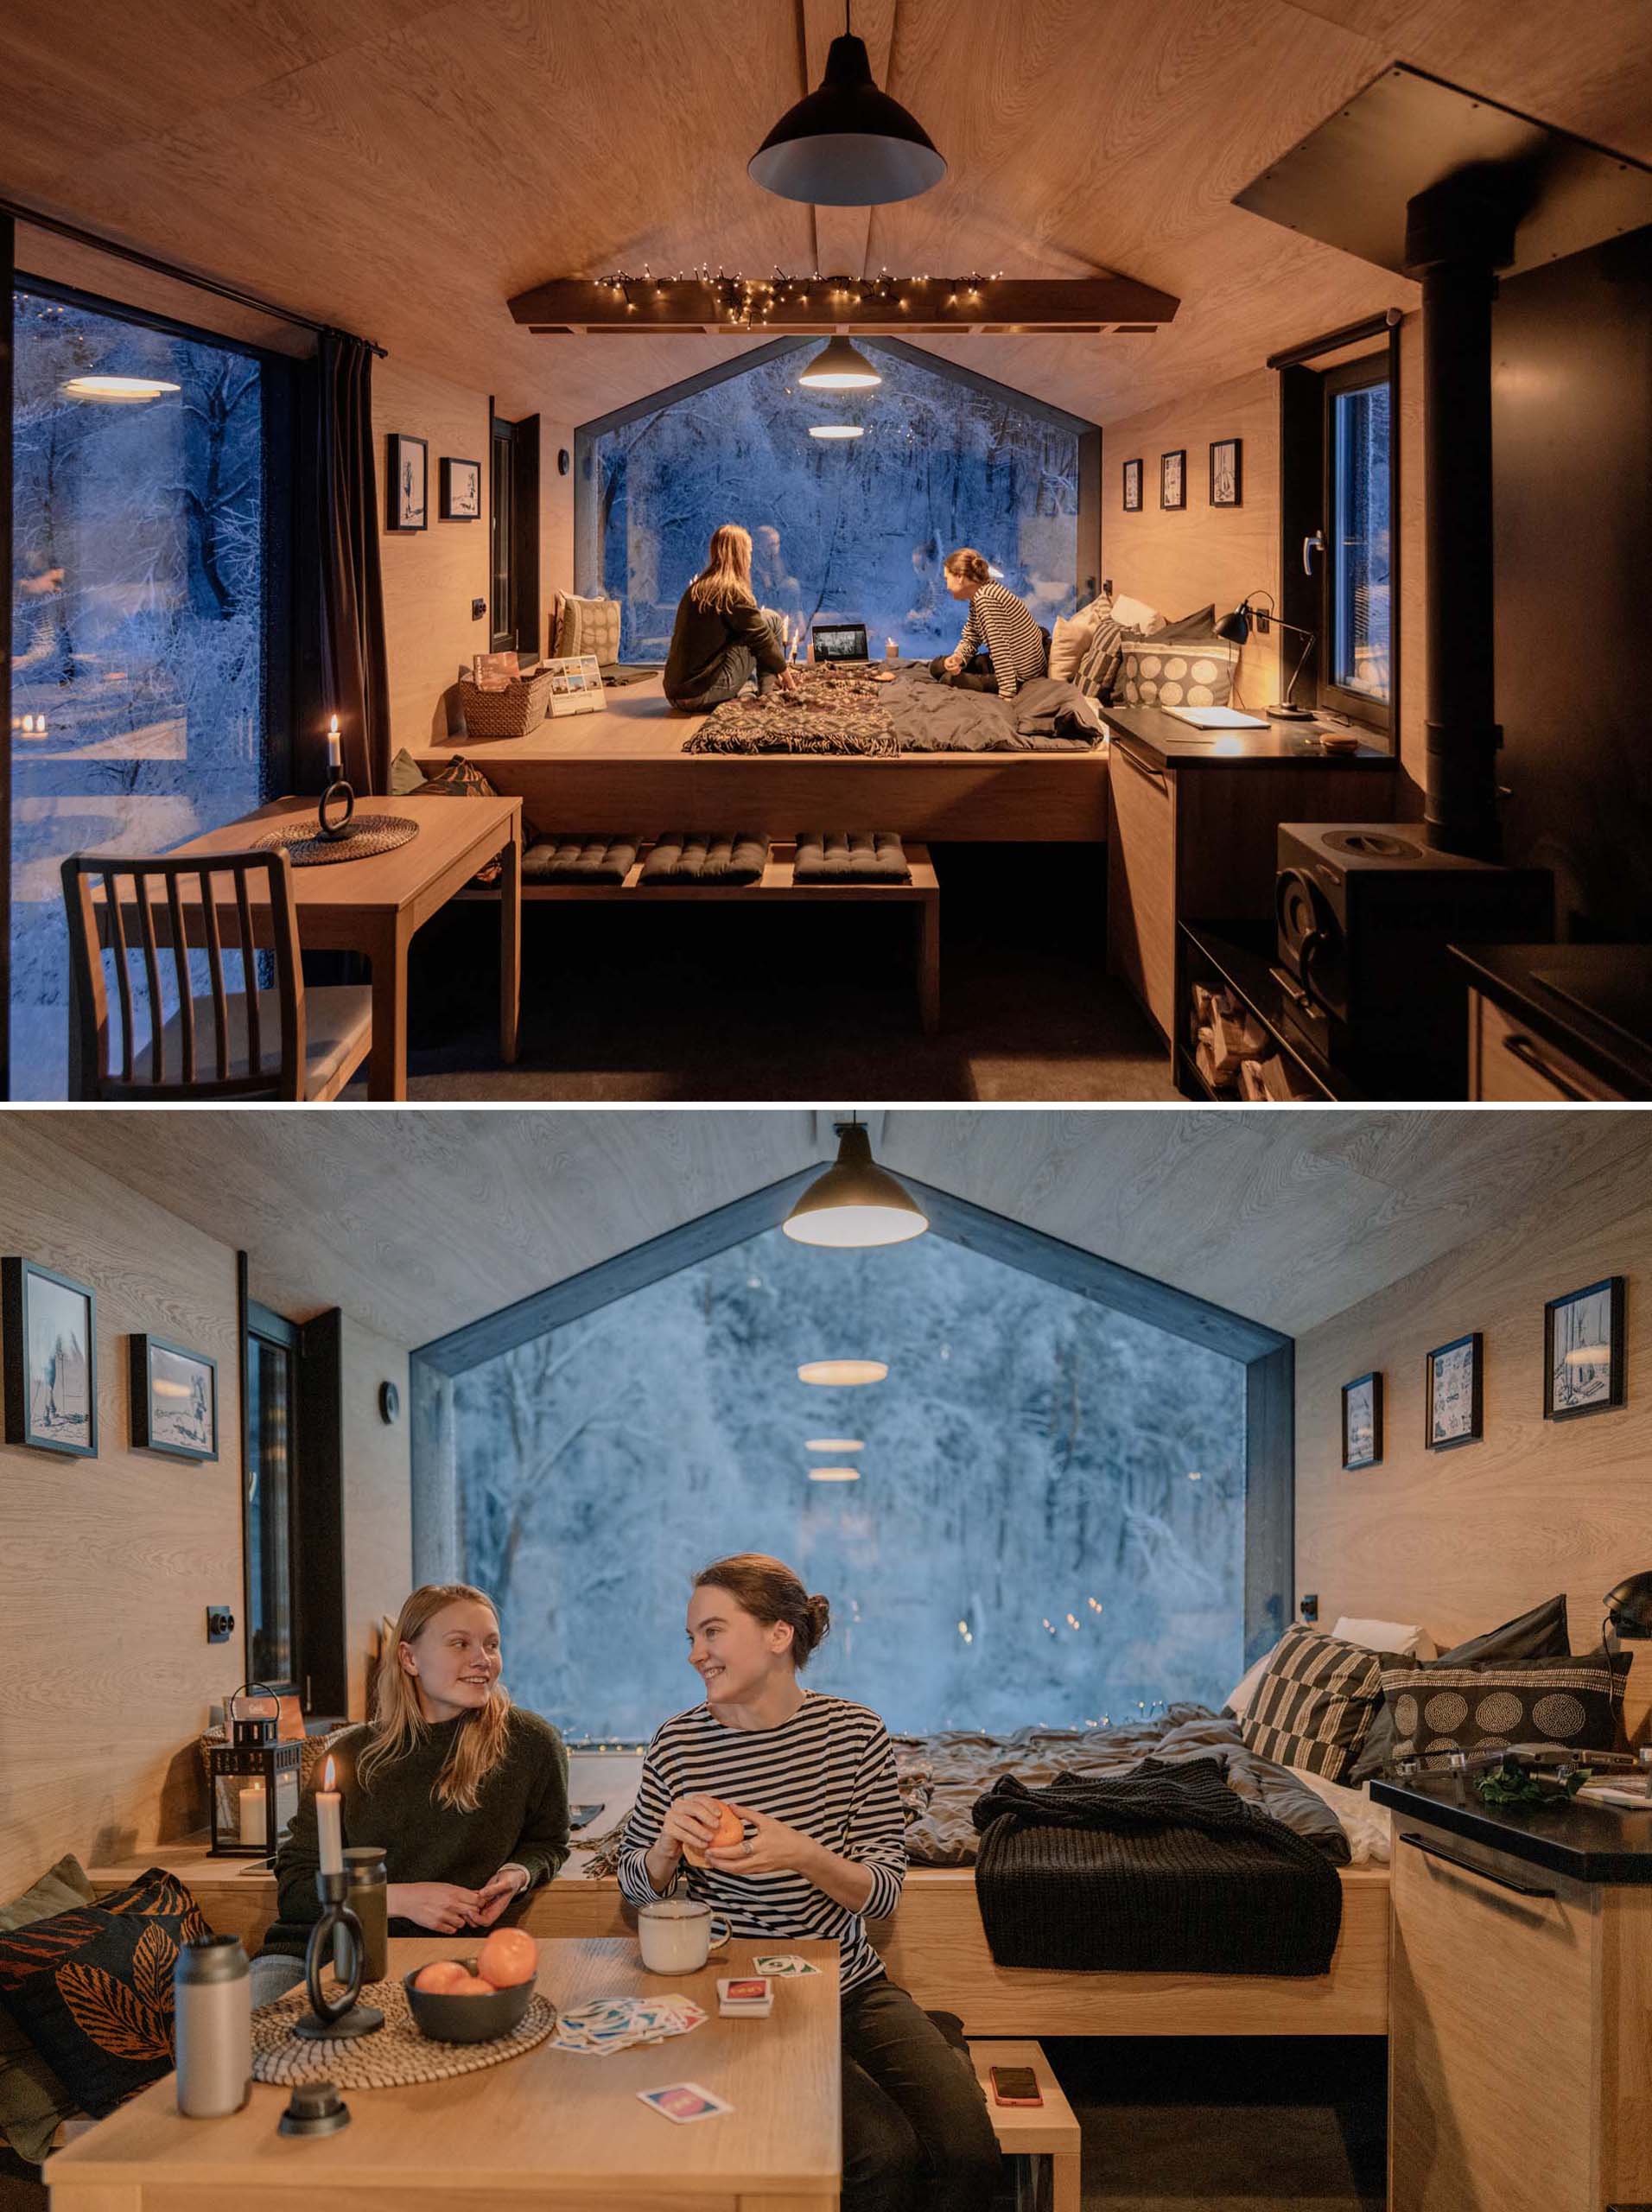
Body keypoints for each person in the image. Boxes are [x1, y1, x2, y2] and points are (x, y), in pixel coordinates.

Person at [618, 1554, 1001, 2212]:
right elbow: (633, 1895)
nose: (695, 1655)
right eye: (690, 1638)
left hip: (851, 1986)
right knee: (882, 2155)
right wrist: (662, 1849)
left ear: (778, 1635)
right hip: (740, 1998)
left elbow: (883, 1893)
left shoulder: (854, 1735)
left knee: (970, 2150)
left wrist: (802, 1853)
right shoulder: (677, 1746)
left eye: (712, 1632)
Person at [257, 1583, 569, 1992]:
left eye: (491, 1645)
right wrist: (399, 1899)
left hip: (441, 1960)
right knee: (249, 2045)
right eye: (460, 1644)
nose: (483, 1660)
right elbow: (297, 1889)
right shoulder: (351, 1755)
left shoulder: (532, 1744)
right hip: (318, 1954)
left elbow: (548, 1843)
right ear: (409, 1657)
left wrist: (517, 1874)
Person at [664, 524, 803, 711]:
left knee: (757, 625)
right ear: (741, 554)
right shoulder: (731, 592)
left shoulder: (697, 589)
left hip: (675, 693)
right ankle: (767, 693)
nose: (750, 559)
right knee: (772, 620)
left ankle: (756, 685)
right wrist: (789, 681)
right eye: (749, 553)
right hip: (699, 694)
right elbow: (762, 639)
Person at [930, 548, 1046, 700]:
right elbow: (971, 637)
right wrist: (958, 657)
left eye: (947, 579)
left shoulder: (987, 599)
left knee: (947, 679)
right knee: (937, 666)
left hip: (1019, 676)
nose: (947, 586)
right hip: (1005, 666)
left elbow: (1001, 651)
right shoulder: (979, 596)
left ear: (959, 577)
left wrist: (1007, 697)